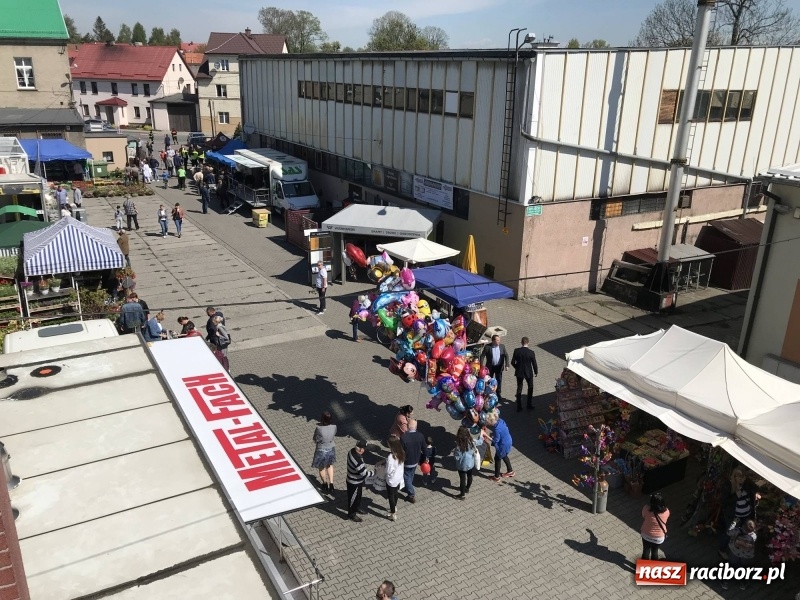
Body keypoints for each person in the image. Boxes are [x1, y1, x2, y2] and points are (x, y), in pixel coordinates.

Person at [717, 467, 761, 559]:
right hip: (734, 516)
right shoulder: (728, 485)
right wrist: (736, 495)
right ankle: (722, 549)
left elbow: (754, 487)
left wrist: (756, 493)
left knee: (744, 532)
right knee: (729, 533)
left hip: (746, 515)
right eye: (740, 478)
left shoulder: (746, 483)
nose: (742, 480)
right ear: (735, 477)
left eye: (744, 478)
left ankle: (739, 548)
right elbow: (725, 502)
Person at [723, 519, 757, 590]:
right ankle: (743, 584)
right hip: (746, 555)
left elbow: (728, 532)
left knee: (731, 566)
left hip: (734, 552)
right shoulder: (753, 536)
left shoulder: (737, 530)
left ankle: (725, 582)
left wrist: (734, 523)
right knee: (744, 569)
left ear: (743, 526)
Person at [345, 440, 373, 522]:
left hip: (356, 481)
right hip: (354, 482)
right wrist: (374, 473)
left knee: (358, 497)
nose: (364, 450)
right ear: (361, 449)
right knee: (353, 499)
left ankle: (356, 508)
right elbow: (364, 474)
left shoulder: (351, 451)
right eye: (364, 448)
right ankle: (352, 514)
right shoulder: (357, 461)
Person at [311, 411, 337, 495]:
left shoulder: (319, 428)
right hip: (331, 448)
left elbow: (315, 438)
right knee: (329, 465)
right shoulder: (334, 427)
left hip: (321, 449)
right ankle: (332, 484)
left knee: (321, 467)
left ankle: (325, 483)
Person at [400, 418, 425, 504]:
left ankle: (411, 494)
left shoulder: (404, 437)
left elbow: (401, 450)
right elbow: (424, 449)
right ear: (416, 427)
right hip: (415, 460)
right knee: (411, 474)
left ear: (407, 426)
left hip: (407, 461)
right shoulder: (420, 435)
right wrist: (425, 459)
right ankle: (408, 486)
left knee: (406, 477)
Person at [511, 337, 539, 411]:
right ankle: (529, 404)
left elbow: (512, 362)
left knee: (519, 388)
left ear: (521, 342)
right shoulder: (531, 352)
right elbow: (534, 364)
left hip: (519, 373)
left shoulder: (516, 351)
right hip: (528, 373)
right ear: (528, 343)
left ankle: (519, 406)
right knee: (530, 387)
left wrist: (517, 367)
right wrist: (536, 372)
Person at [484, 412, 514, 482]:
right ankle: (510, 471)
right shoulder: (501, 420)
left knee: (497, 459)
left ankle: (496, 477)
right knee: (504, 456)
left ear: (491, 421)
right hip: (508, 441)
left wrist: (487, 436)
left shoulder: (496, 429)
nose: (488, 424)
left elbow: (496, 440)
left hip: (502, 445)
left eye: (488, 422)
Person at [453, 426, 481, 500]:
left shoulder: (459, 447)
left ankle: (462, 495)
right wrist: (481, 435)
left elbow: (456, 457)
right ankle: (467, 488)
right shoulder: (472, 442)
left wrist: (454, 453)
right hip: (470, 464)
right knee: (469, 476)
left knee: (462, 479)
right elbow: (480, 442)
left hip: (462, 466)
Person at [641, 492, 669, 561]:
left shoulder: (646, 508)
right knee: (655, 552)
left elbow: (643, 516)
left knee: (646, 551)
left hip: (646, 535)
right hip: (659, 538)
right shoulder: (666, 511)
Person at [480, 335, 509, 399]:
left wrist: (507, 365)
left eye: (499, 340)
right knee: (489, 380)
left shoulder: (502, 346)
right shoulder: (487, 347)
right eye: (497, 340)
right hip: (490, 367)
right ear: (493, 341)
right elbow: (482, 356)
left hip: (499, 367)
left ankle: (498, 393)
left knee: (499, 380)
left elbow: (506, 355)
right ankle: (488, 393)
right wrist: (481, 366)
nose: (499, 341)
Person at [385, 435, 405, 521]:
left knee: (391, 496)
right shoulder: (402, 453)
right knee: (396, 492)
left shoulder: (391, 457)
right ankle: (395, 507)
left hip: (391, 479)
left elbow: (388, 471)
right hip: (399, 478)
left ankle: (393, 513)